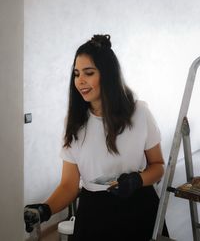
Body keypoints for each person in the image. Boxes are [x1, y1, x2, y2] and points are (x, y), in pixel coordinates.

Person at [24, 34, 169, 240]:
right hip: (94, 215)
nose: (80, 81)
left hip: (139, 210)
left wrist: (137, 180)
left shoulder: (140, 113)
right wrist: (45, 209)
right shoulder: (74, 123)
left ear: (108, 75)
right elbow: (68, 185)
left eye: (88, 73)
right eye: (76, 74)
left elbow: (158, 166)